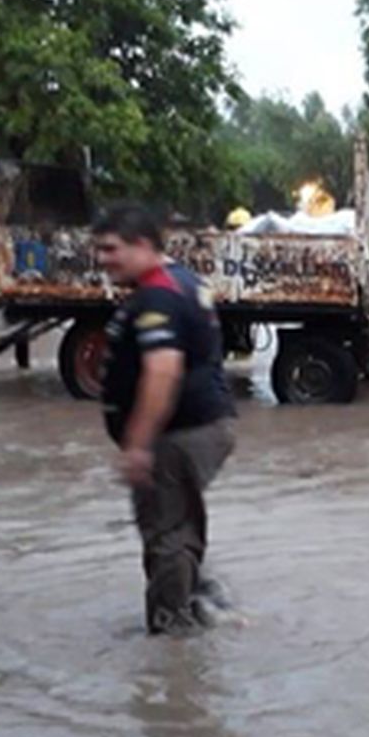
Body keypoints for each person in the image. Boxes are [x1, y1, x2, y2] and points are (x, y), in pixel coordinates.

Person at [91, 203, 236, 634]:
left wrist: (137, 444)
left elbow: (163, 370)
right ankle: (203, 601)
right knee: (180, 520)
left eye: (110, 249)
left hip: (178, 434)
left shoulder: (158, 296)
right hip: (202, 426)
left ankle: (174, 644)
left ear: (142, 244)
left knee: (168, 532)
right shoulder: (183, 280)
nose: (102, 259)